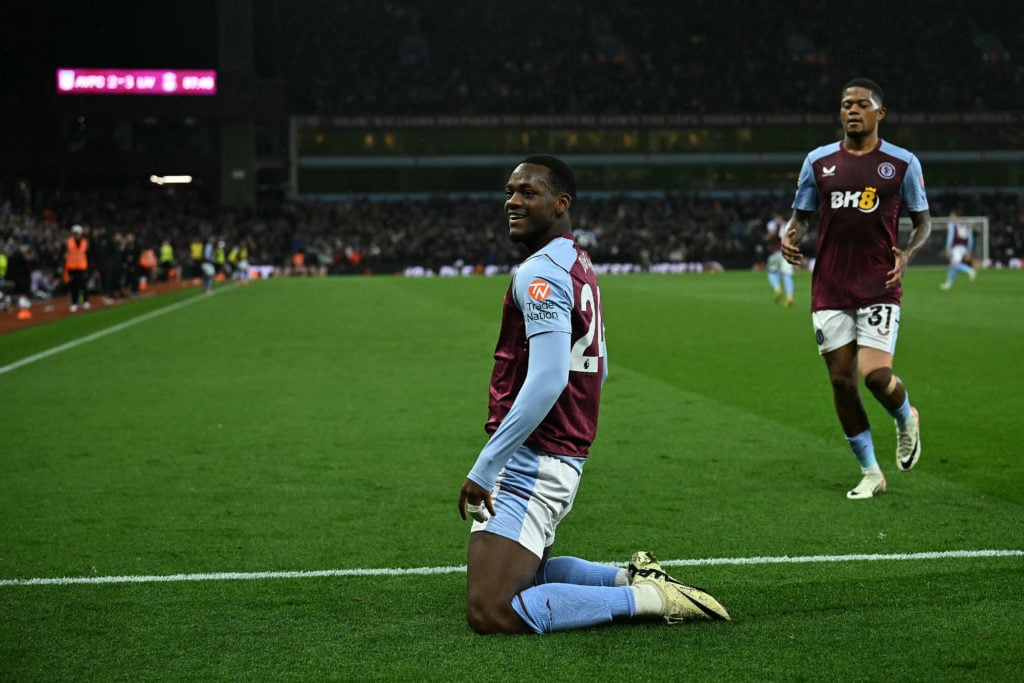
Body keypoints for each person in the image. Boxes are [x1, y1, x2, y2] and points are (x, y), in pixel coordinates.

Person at [457, 155, 730, 634]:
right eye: (509, 191)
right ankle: (631, 576)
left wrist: (486, 466)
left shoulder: (540, 273)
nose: (512, 202)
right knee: (530, 573)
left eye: (528, 193)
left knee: (492, 610)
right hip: (559, 453)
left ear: (561, 204)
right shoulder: (578, 262)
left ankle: (645, 598)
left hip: (533, 459)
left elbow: (547, 380)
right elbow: (599, 366)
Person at [781, 78, 929, 500]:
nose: (852, 110)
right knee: (842, 381)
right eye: (847, 104)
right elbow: (801, 216)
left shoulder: (902, 163)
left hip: (878, 283)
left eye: (862, 105)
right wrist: (790, 235)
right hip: (829, 285)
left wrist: (908, 254)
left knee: (876, 375)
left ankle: (904, 417)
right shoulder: (818, 161)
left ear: (879, 114)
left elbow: (923, 222)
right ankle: (870, 471)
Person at [940, 211, 977, 289]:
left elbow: (950, 238)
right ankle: (948, 284)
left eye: (952, 216)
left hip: (956, 248)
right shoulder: (966, 225)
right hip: (964, 248)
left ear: (956, 216)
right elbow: (970, 239)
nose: (951, 218)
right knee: (952, 265)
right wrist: (969, 251)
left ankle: (969, 270)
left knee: (954, 264)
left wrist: (948, 248)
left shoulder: (953, 225)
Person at [764, 212, 795, 306]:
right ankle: (790, 296)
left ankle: (777, 288)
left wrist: (767, 237)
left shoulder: (773, 223)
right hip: (788, 252)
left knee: (771, 273)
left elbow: (772, 234)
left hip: (777, 252)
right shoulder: (788, 224)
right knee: (787, 276)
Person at [64, 224, 91, 312]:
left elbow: (88, 255)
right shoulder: (69, 242)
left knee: (83, 285)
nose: (77, 235)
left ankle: (85, 301)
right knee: (73, 286)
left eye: (78, 233)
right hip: (72, 268)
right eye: (75, 233)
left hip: (82, 267)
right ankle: (74, 303)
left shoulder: (85, 242)